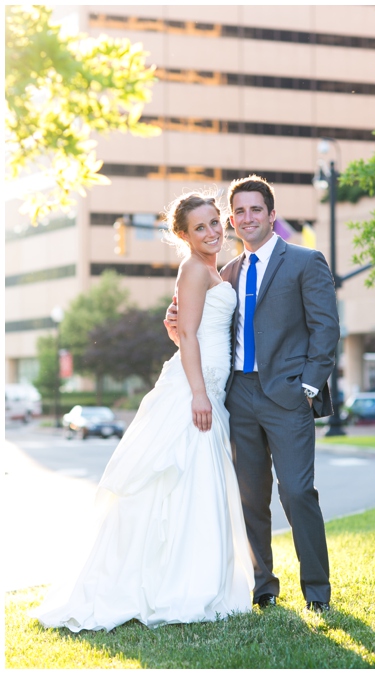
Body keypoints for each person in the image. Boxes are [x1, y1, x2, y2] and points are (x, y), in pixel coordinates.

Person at [31, 193, 253, 632]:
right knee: (176, 481)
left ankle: (197, 576)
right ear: (183, 235)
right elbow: (187, 335)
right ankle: (169, 583)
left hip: (208, 384)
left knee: (197, 485)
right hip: (194, 391)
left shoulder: (215, 269)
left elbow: (191, 331)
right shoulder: (193, 268)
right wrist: (198, 394)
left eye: (214, 223)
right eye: (200, 228)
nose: (212, 232)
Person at [165, 176, 340, 613]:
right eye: (238, 212)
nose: (246, 218)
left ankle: (317, 591)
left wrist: (308, 386)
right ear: (232, 219)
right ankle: (264, 585)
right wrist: (174, 328)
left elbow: (326, 329)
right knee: (249, 497)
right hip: (237, 397)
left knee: (297, 492)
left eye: (255, 210)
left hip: (288, 397)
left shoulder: (305, 261)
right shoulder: (225, 273)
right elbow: (199, 331)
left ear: (271, 214)